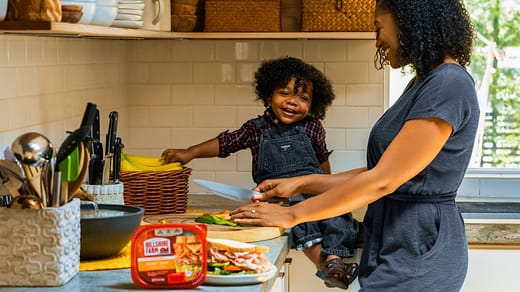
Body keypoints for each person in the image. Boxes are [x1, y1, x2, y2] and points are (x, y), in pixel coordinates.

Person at [227, 0, 479, 291]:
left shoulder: (448, 84)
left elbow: (382, 180)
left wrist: (292, 214)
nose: (377, 41)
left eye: (378, 28)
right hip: (395, 239)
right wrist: (300, 184)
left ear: (407, 22)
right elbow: (381, 170)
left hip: (419, 245)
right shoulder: (424, 83)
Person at [162, 56, 360, 289]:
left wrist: (329, 188)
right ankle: (323, 266)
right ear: (268, 96)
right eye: (284, 93)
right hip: (281, 198)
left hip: (313, 188)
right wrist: (190, 152)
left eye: (303, 98)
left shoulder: (313, 127)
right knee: (301, 223)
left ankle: (334, 261)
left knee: (336, 214)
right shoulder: (255, 129)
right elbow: (225, 143)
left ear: (313, 105)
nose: (293, 102)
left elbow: (322, 162)